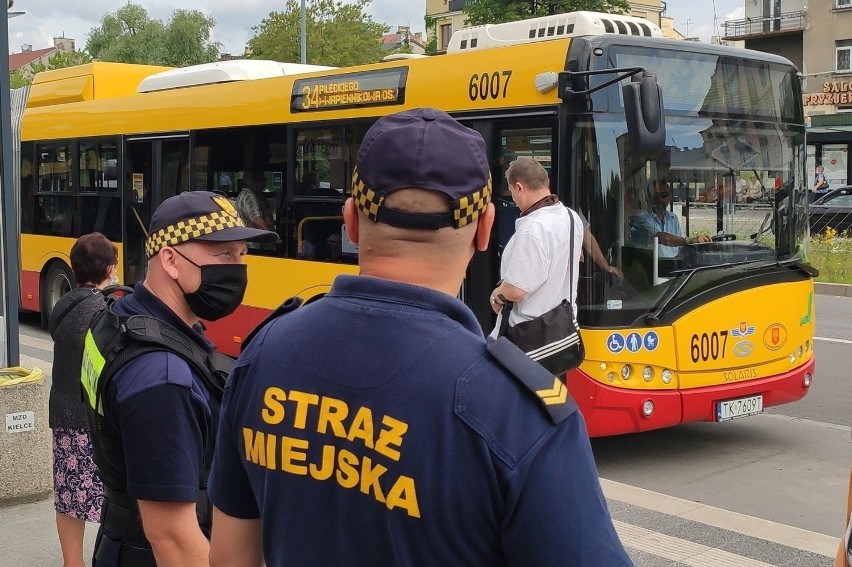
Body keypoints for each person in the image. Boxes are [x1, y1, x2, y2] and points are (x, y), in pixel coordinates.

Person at [207, 108, 632, 566]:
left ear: (349, 221)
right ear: (486, 229)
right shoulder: (519, 413)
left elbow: (229, 556)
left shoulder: (264, 355)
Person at [81, 191, 277, 566]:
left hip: (119, 540)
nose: (237, 268)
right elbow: (173, 538)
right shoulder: (163, 378)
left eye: (241, 255)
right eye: (223, 255)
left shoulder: (119, 318)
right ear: (170, 259)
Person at [48, 233, 117, 567]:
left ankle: (71, 563)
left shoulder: (64, 305)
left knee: (68, 496)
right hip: (91, 418)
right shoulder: (102, 310)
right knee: (111, 496)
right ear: (109, 268)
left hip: (62, 414)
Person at [488, 157, 583, 335]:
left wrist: (496, 295)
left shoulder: (532, 229)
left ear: (519, 188)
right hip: (563, 329)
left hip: (529, 335)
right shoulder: (571, 217)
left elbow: (516, 289)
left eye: (512, 192)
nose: (514, 200)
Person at [629, 181, 711, 258]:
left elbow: (681, 241)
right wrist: (689, 240)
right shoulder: (641, 217)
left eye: (663, 195)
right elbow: (659, 237)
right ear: (648, 198)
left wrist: (700, 242)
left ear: (670, 197)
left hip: (674, 266)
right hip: (651, 268)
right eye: (655, 195)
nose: (659, 199)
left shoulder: (673, 218)